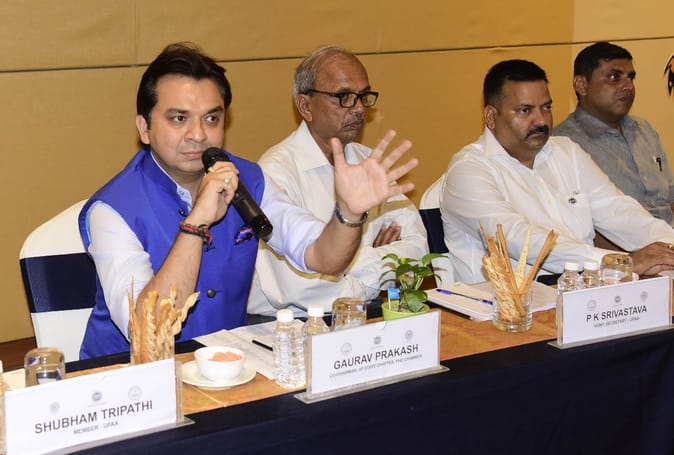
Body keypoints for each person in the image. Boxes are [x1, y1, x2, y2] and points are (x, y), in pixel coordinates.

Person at [78, 42, 418, 358]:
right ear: (144, 127)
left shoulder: (248, 179)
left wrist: (348, 213)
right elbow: (149, 331)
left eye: (212, 118)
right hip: (127, 377)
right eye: (179, 118)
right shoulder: (112, 209)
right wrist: (196, 223)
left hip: (226, 365)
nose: (198, 134)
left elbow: (321, 256)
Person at [440, 59, 674, 284]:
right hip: (504, 305)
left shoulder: (567, 152)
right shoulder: (468, 171)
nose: (541, 120)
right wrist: (620, 263)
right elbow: (521, 241)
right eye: (525, 110)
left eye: (546, 107)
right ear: (491, 116)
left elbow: (619, 211)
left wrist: (669, 247)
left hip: (583, 291)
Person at [247, 45, 428, 316]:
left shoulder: (368, 161)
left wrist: (347, 266)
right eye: (344, 97)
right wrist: (376, 271)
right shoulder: (275, 172)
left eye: (363, 96)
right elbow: (300, 287)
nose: (359, 108)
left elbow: (418, 251)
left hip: (366, 314)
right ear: (306, 106)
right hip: (290, 325)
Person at [554, 42, 674, 225]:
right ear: (582, 85)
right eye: (614, 77)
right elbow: (574, 224)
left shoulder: (644, 130)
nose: (628, 87)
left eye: (631, 78)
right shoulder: (562, 144)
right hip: (621, 242)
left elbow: (670, 199)